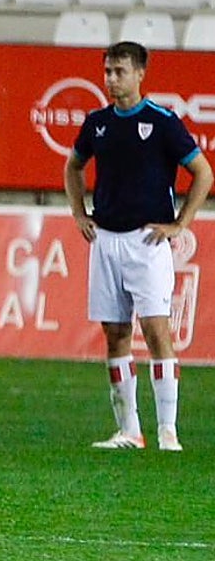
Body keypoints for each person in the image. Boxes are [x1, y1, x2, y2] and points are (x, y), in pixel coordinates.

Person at [64, 41, 213, 452]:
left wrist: (180, 223)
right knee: (115, 333)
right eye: (108, 71)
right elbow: (73, 166)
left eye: (120, 71)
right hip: (106, 239)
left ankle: (168, 430)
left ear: (140, 74)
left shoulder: (162, 122)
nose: (112, 79)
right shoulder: (97, 123)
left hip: (146, 241)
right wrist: (79, 213)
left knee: (156, 329)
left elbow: (202, 172)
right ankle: (129, 430)